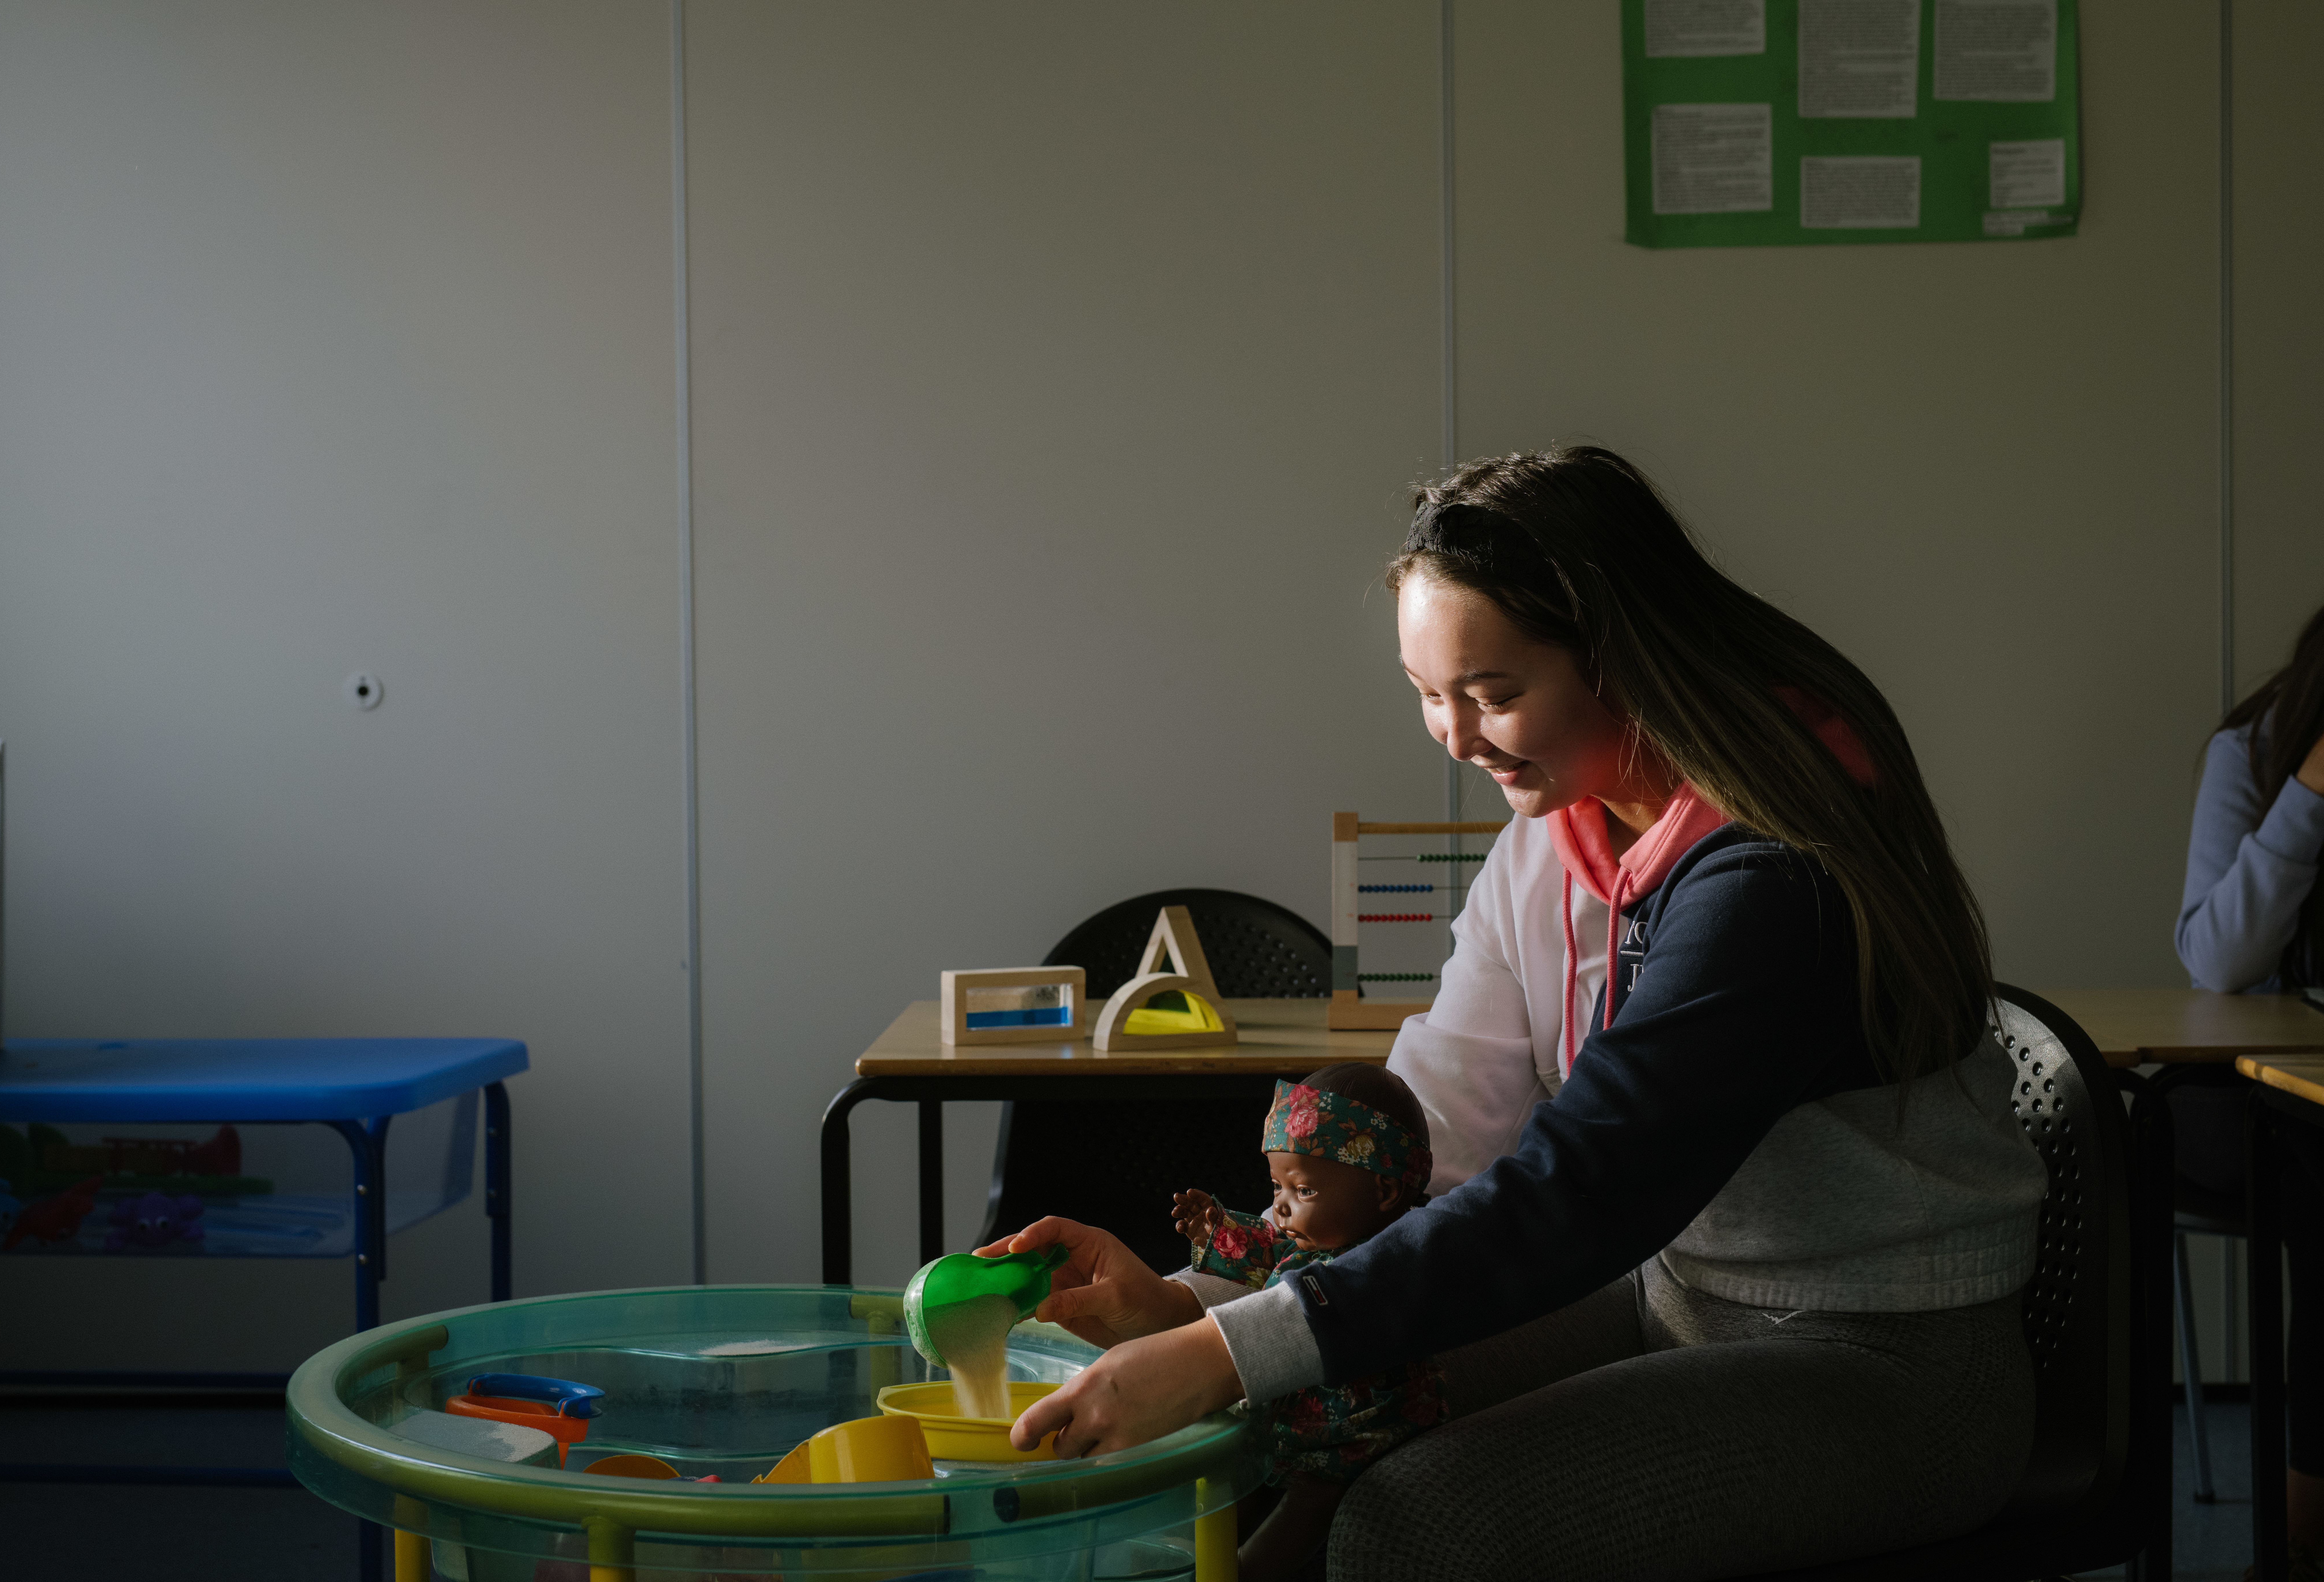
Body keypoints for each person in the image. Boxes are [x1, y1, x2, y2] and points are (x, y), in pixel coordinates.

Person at [983, 446, 2051, 1582]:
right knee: (1287, 1418)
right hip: (1677, 1303)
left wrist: (1222, 1353)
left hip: (1886, 1364)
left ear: (1624, 654)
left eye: (1493, 694)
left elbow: (1577, 1191)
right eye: (1429, 694)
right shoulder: (1553, 842)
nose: (1454, 737)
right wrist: (1195, 1302)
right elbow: (1423, 1141)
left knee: (1419, 1519)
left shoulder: (1778, 879)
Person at [2176, 599, 2324, 1579]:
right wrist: (2309, 792)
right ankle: (2300, 1535)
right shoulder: (2252, 752)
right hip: (2251, 1100)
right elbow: (2214, 960)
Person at [1170, 1063, 1444, 1581]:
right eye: (1277, 1186)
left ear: (1385, 1193)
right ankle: (1195, 1565)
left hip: (1360, 1424)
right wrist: (1217, 1229)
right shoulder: (1308, 1246)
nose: (1281, 1206)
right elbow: (1266, 1249)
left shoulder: (1396, 1257)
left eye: (1305, 1191)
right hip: (1294, 1412)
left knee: (1306, 1504)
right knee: (1242, 1486)